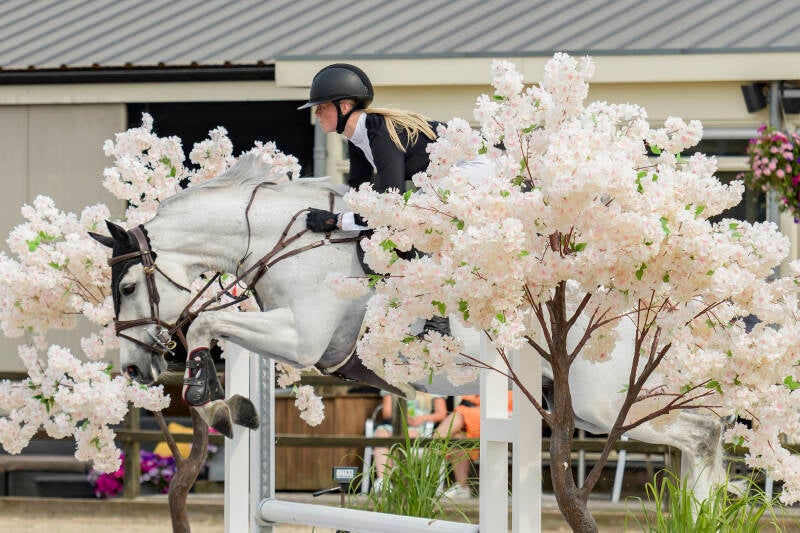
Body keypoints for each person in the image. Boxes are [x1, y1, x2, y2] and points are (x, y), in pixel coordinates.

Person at [433, 392, 513, 499]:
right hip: (473, 419)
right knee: (458, 439)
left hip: (498, 416)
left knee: (459, 416)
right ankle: (462, 487)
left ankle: (432, 449)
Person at [370, 391, 448, 492]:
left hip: (420, 429)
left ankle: (403, 486)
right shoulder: (394, 379)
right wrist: (404, 417)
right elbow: (387, 412)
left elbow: (441, 413)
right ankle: (383, 482)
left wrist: (422, 418)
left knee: (408, 434)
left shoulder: (433, 385)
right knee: (381, 434)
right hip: (394, 425)